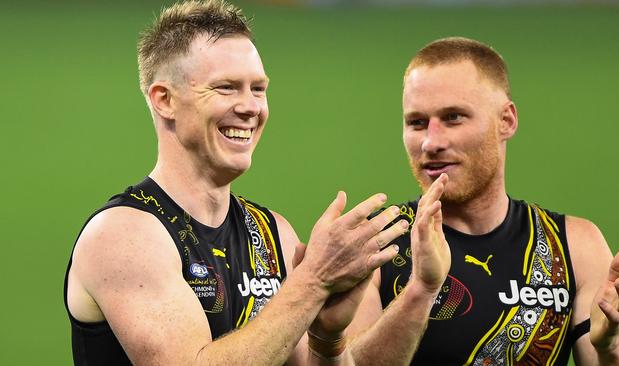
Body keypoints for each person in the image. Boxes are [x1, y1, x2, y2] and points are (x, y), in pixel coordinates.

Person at [62, 1, 410, 364]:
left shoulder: (274, 234)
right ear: (165, 100)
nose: (251, 108)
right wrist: (313, 283)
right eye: (226, 88)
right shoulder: (123, 236)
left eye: (258, 89)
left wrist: (326, 336)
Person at [343, 37, 619, 365]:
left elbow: (608, 348)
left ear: (506, 121)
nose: (430, 142)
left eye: (453, 117)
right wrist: (421, 289)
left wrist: (611, 347)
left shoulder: (573, 246)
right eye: (417, 123)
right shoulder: (373, 243)